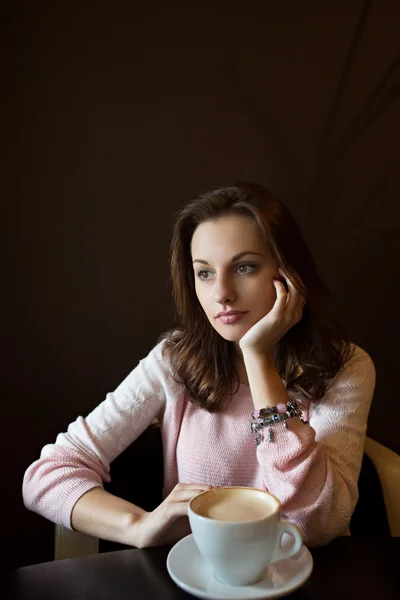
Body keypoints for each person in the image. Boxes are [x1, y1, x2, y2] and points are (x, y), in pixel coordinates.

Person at [23, 182, 375, 549]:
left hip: (308, 578)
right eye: (204, 272)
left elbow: (315, 525)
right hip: (196, 579)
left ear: (290, 275)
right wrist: (138, 527)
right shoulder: (175, 361)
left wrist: (258, 359)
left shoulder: (346, 366)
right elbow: (47, 476)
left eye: (244, 267)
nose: (221, 292)